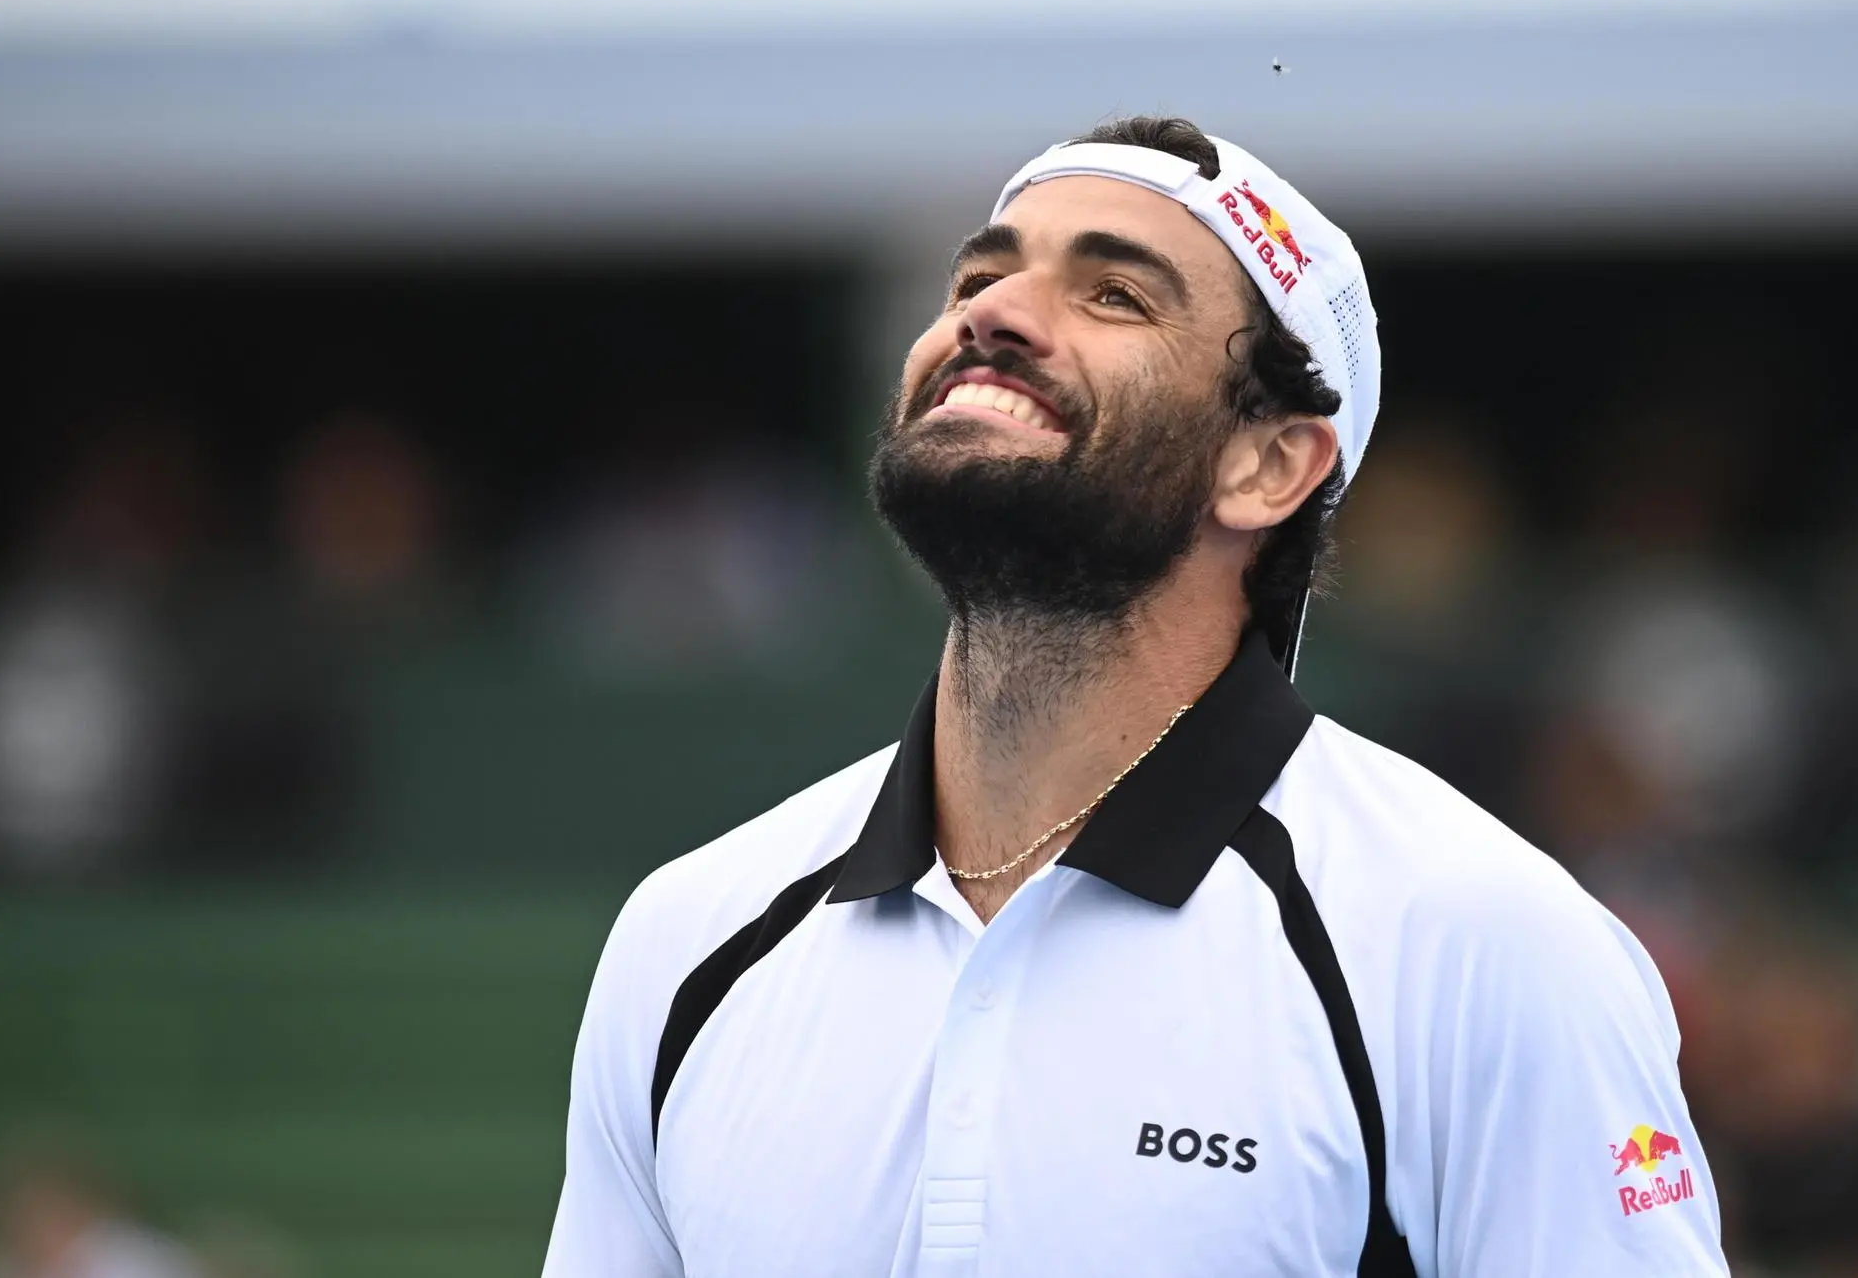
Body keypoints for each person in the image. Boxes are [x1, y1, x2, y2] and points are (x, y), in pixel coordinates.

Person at [541, 116, 1728, 1276]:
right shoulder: (687, 934)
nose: (990, 313)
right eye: (980, 275)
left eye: (1114, 294)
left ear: (1266, 464)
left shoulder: (1485, 939)